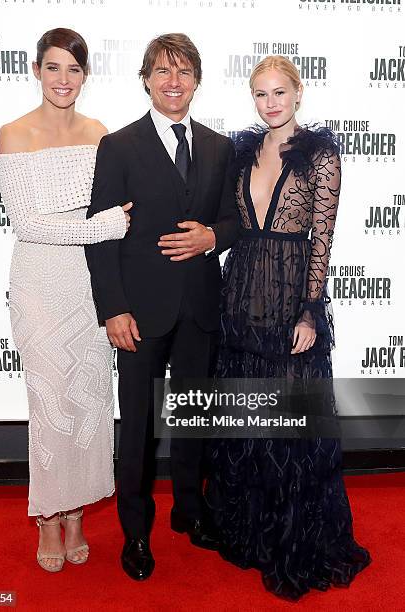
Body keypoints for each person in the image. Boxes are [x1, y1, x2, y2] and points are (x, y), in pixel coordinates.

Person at [205, 55, 371, 600]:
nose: (270, 103)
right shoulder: (243, 151)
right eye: (260, 94)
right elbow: (233, 227)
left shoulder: (320, 155)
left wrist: (310, 311)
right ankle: (251, 534)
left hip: (288, 307)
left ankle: (293, 542)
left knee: (291, 431)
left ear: (298, 93)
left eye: (279, 92)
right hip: (241, 298)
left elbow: (321, 239)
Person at [85, 33, 239, 581]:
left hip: (200, 308)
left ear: (197, 80)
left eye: (185, 72)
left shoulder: (221, 147)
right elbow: (100, 235)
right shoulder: (119, 146)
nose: (174, 82)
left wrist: (210, 239)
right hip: (139, 315)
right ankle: (135, 533)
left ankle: (190, 514)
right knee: (139, 431)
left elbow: (233, 219)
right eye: (163, 71)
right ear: (146, 79)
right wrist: (113, 309)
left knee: (194, 420)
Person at [0, 28, 131, 573]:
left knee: (92, 403)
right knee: (49, 406)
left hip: (89, 285)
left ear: (85, 76)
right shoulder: (13, 134)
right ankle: (48, 519)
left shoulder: (100, 134)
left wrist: (107, 224)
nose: (63, 80)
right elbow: (28, 225)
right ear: (36, 70)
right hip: (40, 285)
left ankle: (76, 513)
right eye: (53, 68)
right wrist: (102, 226)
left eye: (74, 70)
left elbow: (116, 210)